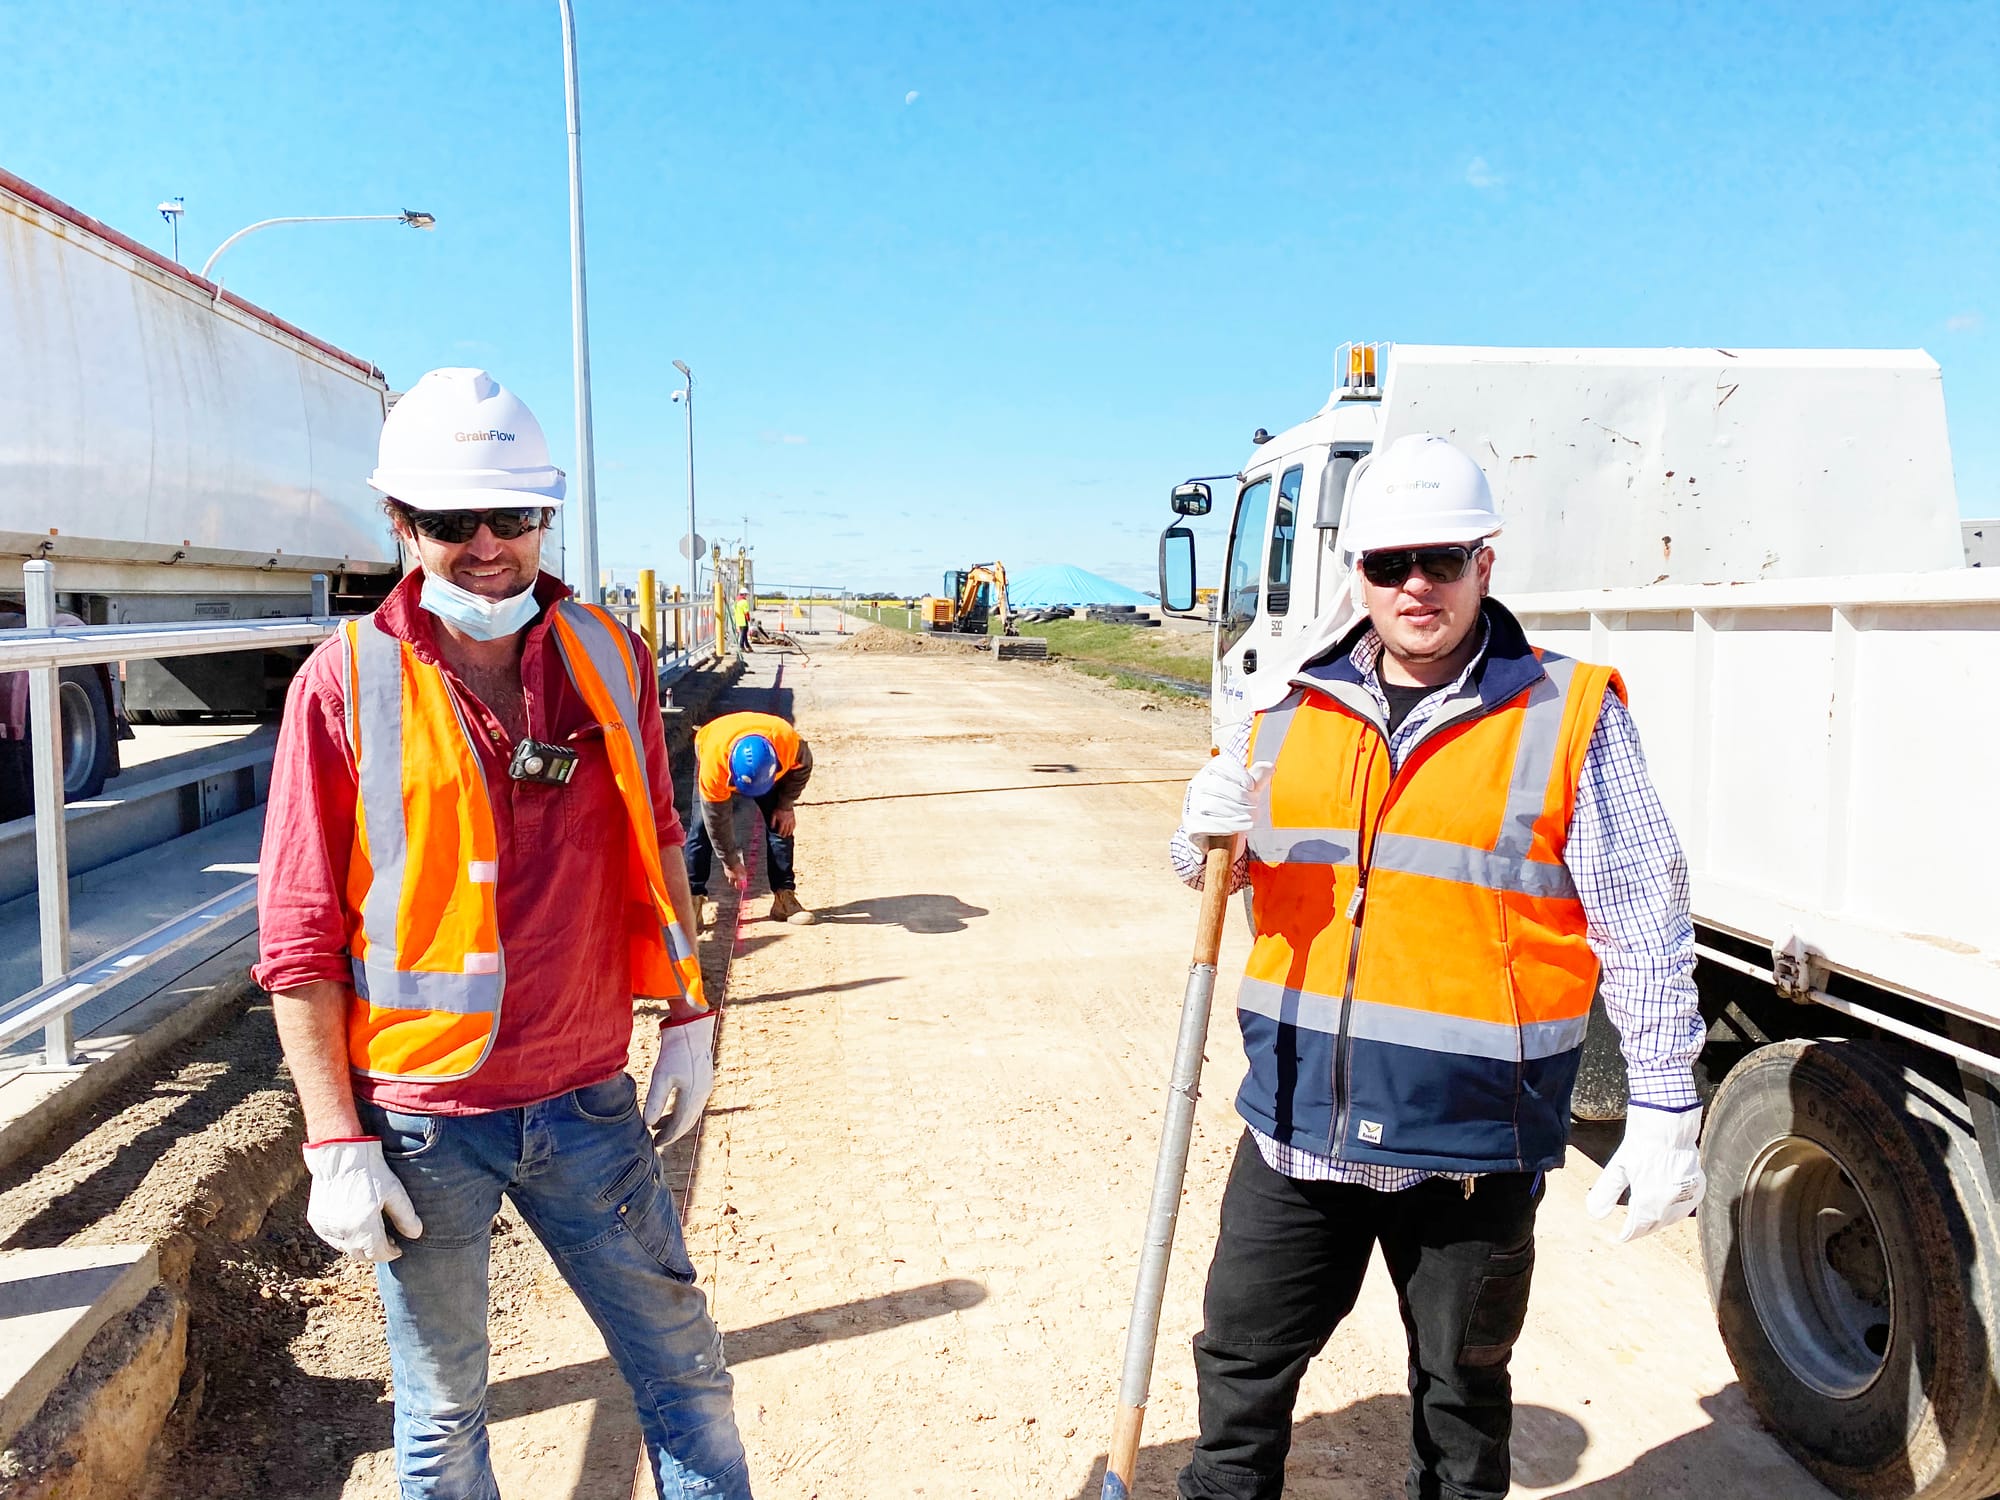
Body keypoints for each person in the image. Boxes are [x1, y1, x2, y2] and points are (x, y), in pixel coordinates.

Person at [1169, 433, 1706, 1500]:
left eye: (1442, 559)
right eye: (1389, 563)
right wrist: (1196, 829)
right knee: (1236, 1381)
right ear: (1357, 574)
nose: (1416, 585)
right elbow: (1210, 871)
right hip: (1294, 1129)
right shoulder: (1282, 710)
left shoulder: (1567, 713)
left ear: (1483, 564)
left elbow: (1642, 913)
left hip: (1471, 1143)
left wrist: (1663, 1097)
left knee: (1460, 1404)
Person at [253, 368, 752, 1500]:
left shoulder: (608, 654)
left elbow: (657, 837)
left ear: (544, 516)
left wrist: (687, 1014)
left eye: (513, 516)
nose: (485, 546)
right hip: (424, 1119)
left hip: (585, 1098)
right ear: (399, 521)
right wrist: (334, 1140)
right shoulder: (343, 684)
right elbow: (298, 929)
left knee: (685, 1373)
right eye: (450, 520)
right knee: (441, 1414)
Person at [685, 710, 816, 928]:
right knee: (701, 829)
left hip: (767, 760)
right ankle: (692, 901)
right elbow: (716, 820)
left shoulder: (788, 744)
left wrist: (785, 805)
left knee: (780, 825)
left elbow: (803, 768)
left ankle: (784, 897)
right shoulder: (714, 766)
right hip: (714, 742)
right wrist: (730, 861)